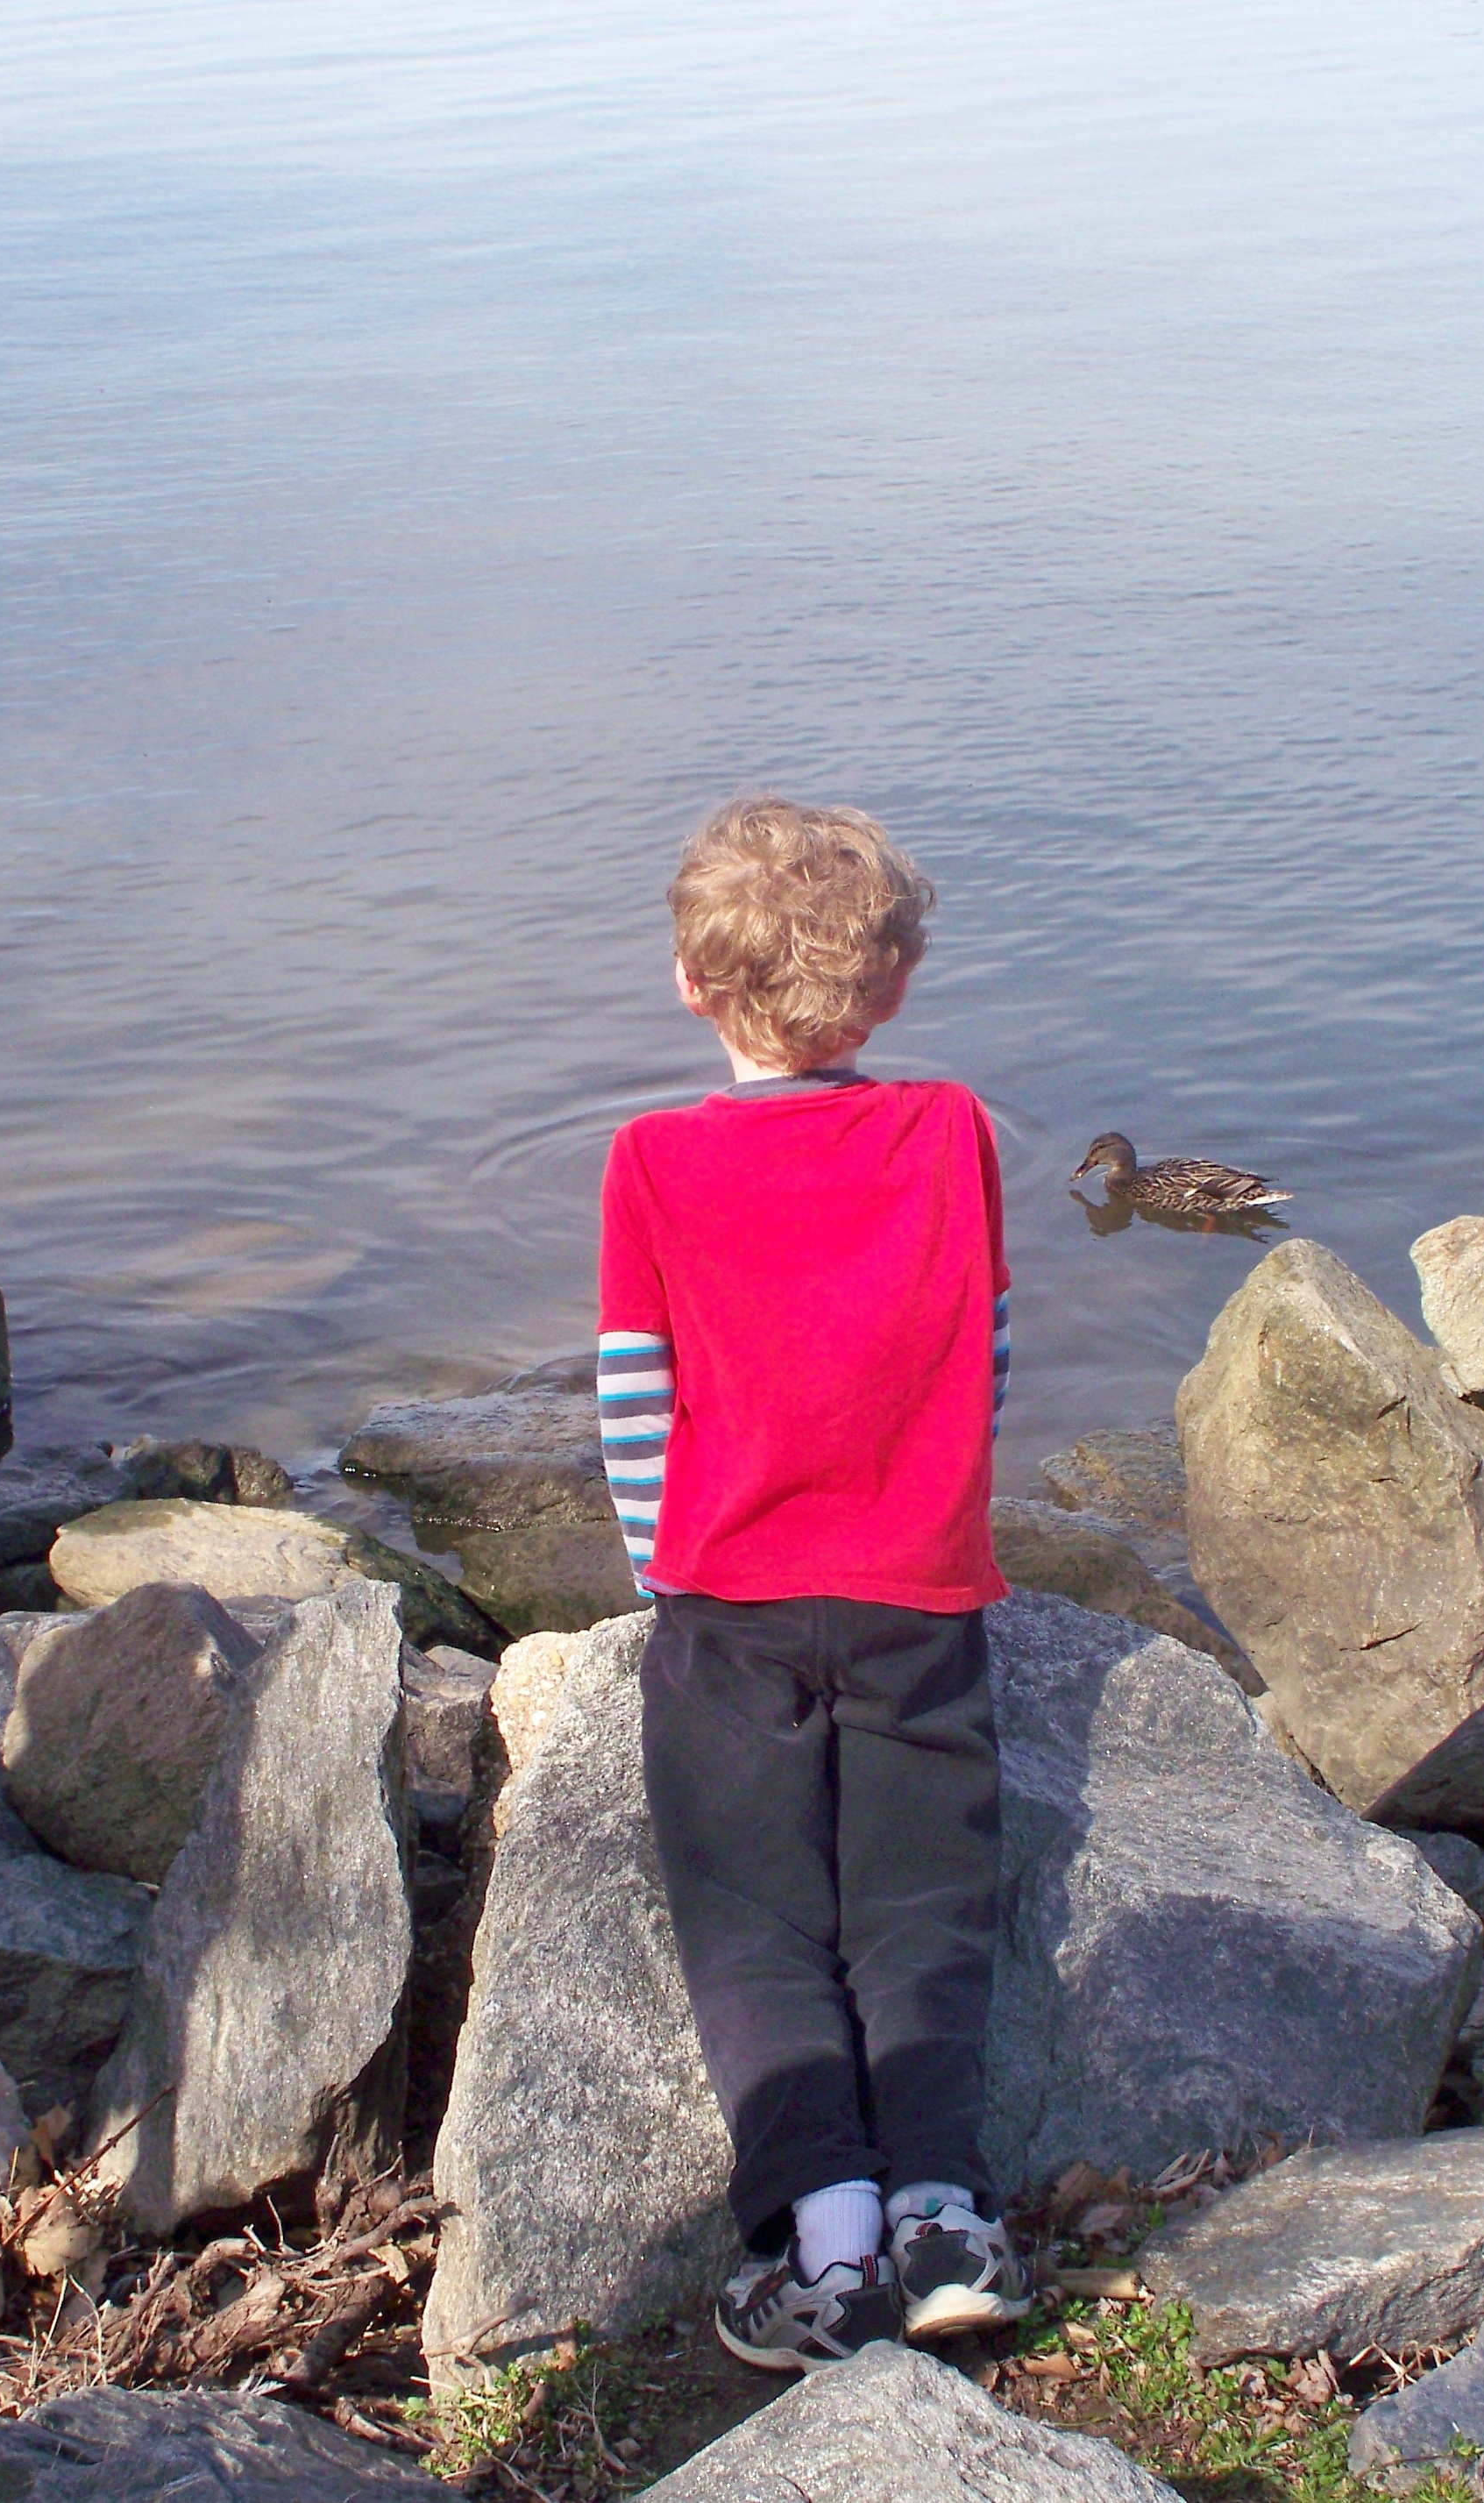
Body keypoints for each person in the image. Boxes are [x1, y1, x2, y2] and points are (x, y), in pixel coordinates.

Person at [596, 795, 1032, 2371]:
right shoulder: (952, 1130)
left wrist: (666, 1564)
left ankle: (829, 2251)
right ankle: (946, 2215)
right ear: (893, 990)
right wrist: (931, 1504)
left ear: (691, 986)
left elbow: (634, 1395)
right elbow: (981, 1353)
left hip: (731, 1602)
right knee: (922, 1900)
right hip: (920, 1592)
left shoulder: (648, 1160)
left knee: (753, 1913)